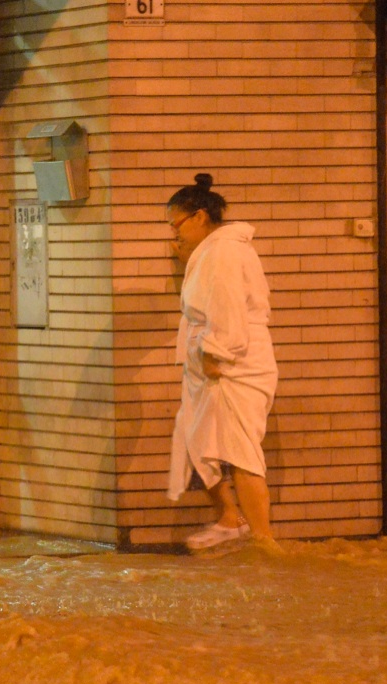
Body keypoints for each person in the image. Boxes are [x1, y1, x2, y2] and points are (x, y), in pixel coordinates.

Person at [165, 173, 278, 551]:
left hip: (232, 363)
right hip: (209, 361)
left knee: (240, 449)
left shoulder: (225, 251)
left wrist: (217, 354)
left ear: (198, 217)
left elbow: (227, 308)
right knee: (196, 438)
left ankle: (264, 540)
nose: (174, 234)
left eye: (176, 224)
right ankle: (231, 518)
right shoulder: (211, 253)